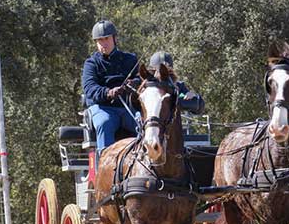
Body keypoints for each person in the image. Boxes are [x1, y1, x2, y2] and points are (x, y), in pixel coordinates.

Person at [81, 20, 140, 153]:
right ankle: (104, 164)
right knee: (104, 123)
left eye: (106, 38)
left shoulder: (130, 59)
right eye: (99, 40)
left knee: (144, 124)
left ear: (114, 38)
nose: (103, 43)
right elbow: (90, 88)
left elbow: (140, 78)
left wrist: (135, 83)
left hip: (127, 107)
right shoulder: (91, 64)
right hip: (103, 108)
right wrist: (109, 92)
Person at [148, 51, 205, 115]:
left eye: (165, 71)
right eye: (158, 71)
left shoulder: (178, 87)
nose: (161, 74)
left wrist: (193, 96)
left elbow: (199, 106)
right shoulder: (146, 87)